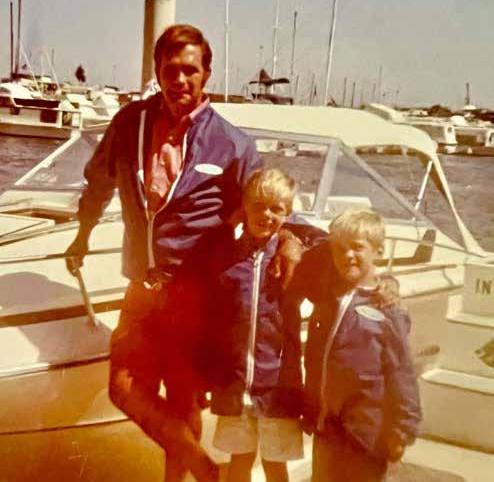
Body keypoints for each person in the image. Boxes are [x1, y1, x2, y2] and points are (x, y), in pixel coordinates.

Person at [65, 24, 302, 482]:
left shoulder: (232, 143)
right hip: (142, 286)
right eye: (170, 70)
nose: (179, 80)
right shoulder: (129, 123)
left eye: (190, 70)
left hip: (194, 295)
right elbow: (98, 182)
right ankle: (204, 470)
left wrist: (290, 240)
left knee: (182, 400)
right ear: (157, 71)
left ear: (206, 74)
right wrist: (83, 234)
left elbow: (266, 204)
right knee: (123, 389)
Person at [288, 209, 421, 482]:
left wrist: (402, 430)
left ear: (378, 250)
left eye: (357, 247)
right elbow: (315, 362)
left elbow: (402, 372)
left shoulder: (388, 306)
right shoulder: (327, 295)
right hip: (327, 426)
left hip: (367, 432)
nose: (347, 255)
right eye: (339, 249)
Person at [206, 169, 304, 482]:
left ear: (287, 214)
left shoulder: (294, 258)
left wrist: (291, 240)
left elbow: (329, 246)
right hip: (235, 384)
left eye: (277, 209)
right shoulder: (227, 257)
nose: (266, 215)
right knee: (239, 460)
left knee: (275, 464)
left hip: (277, 385)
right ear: (244, 207)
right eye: (259, 206)